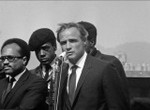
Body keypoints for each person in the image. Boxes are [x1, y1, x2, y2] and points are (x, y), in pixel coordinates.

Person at [56, 22, 129, 110]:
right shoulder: (61, 72)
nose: (68, 47)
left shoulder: (104, 68)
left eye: (73, 41)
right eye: (63, 43)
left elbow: (118, 106)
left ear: (84, 41)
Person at [78, 21, 130, 107]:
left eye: (77, 40)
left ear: (91, 42)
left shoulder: (110, 63)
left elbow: (119, 103)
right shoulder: (68, 66)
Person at [0, 38, 47, 110]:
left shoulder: (37, 83)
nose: (5, 62)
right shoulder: (1, 83)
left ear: (24, 60)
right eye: (3, 58)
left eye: (10, 58)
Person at [28, 28, 57, 108]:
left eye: (45, 48)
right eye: (37, 50)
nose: (41, 54)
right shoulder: (30, 75)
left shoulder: (67, 70)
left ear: (54, 47)